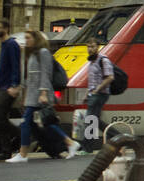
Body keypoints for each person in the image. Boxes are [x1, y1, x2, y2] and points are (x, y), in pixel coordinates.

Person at [6, 30, 86, 163]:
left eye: (28, 38)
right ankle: (70, 143)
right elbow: (29, 78)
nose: (26, 41)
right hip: (32, 95)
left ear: (36, 39)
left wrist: (43, 93)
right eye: (25, 38)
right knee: (46, 123)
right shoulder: (31, 55)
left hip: (40, 94)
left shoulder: (43, 53)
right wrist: (22, 92)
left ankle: (23, 154)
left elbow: (45, 74)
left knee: (27, 123)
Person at [0, 19, 21, 161]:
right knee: (1, 120)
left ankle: (22, 137)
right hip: (2, 86)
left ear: (6, 28)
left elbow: (16, 66)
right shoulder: (5, 44)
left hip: (8, 88)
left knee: (0, 119)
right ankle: (7, 150)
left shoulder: (11, 45)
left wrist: (14, 85)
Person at [84, 37, 114, 151]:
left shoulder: (103, 60)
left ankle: (87, 148)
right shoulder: (91, 62)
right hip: (94, 94)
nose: (90, 49)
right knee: (95, 120)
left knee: (90, 119)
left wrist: (97, 89)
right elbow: (92, 81)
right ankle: (118, 137)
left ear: (98, 47)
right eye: (88, 47)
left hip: (100, 94)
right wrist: (87, 93)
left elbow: (110, 77)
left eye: (92, 46)